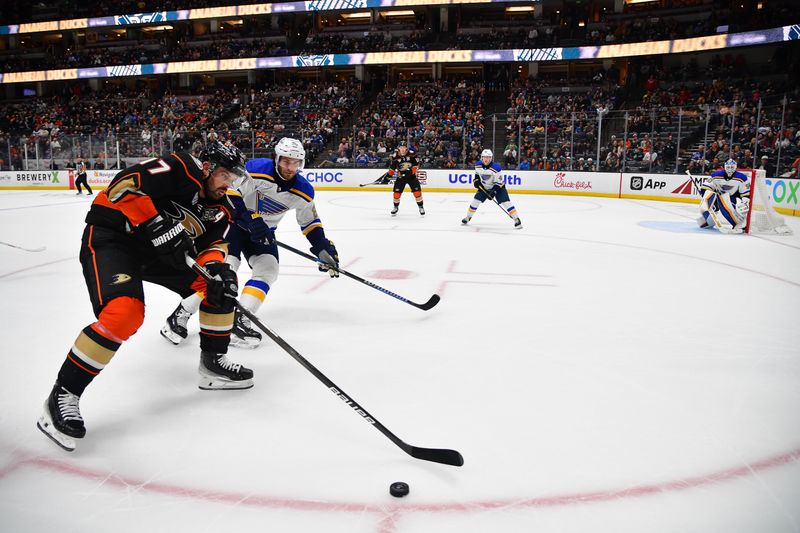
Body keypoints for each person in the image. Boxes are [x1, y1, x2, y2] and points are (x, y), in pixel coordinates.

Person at [37, 141, 252, 452]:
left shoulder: (222, 210)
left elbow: (212, 249)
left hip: (159, 255)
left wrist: (219, 269)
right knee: (125, 313)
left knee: (217, 290)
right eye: (224, 175)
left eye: (233, 178)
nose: (228, 184)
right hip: (115, 240)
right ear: (206, 168)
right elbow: (122, 187)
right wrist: (154, 222)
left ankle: (213, 362)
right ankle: (63, 394)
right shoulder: (177, 168)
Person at [161, 137, 339, 349]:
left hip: (263, 234)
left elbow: (309, 221)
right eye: (285, 161)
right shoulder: (256, 169)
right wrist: (251, 219)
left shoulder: (303, 191)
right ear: (276, 158)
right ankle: (181, 314)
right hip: (234, 226)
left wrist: (321, 248)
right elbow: (232, 193)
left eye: (295, 162)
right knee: (221, 274)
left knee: (268, 270)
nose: (289, 167)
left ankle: (242, 318)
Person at [462, 149, 522, 229]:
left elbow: (499, 183)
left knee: (506, 203)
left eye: (488, 157)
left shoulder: (496, 168)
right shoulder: (478, 165)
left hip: (499, 188)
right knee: (475, 202)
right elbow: (477, 175)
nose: (486, 159)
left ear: (491, 158)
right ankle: (468, 217)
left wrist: (493, 192)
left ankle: (516, 218)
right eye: (484, 157)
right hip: (484, 187)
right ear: (481, 158)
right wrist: (476, 181)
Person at [697, 158, 750, 234]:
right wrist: (705, 194)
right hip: (718, 196)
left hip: (732, 197)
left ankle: (739, 224)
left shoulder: (742, 178)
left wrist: (745, 203)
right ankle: (708, 221)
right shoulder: (716, 175)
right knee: (705, 206)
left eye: (732, 167)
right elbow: (706, 187)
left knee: (726, 207)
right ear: (725, 167)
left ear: (735, 167)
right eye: (728, 167)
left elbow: (745, 193)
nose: (730, 169)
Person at [385, 143, 424, 216]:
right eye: (401, 148)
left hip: (411, 177)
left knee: (417, 193)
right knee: (396, 194)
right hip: (401, 178)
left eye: (404, 148)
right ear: (398, 148)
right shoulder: (395, 156)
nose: (402, 149)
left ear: (406, 148)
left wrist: (412, 171)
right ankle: (395, 207)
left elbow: (417, 165)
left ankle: (421, 207)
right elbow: (392, 169)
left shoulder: (412, 154)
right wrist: (388, 177)